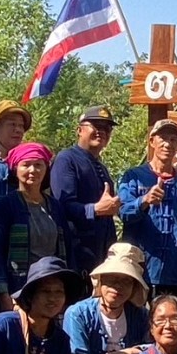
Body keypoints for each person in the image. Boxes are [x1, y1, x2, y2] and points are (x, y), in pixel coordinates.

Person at [118, 119, 177, 295]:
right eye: (163, 138)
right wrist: (144, 201)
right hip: (141, 269)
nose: (167, 144)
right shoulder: (134, 176)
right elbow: (123, 213)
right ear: (152, 142)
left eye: (173, 140)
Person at [0, 142, 68, 312]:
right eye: (26, 165)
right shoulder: (6, 205)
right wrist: (3, 294)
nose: (33, 170)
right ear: (15, 169)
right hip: (18, 288)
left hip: (48, 287)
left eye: (38, 165)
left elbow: (66, 249)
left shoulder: (55, 207)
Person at [50, 105, 121, 275]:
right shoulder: (67, 159)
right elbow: (62, 205)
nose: (102, 131)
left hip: (100, 255)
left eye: (107, 128)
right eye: (96, 126)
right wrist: (95, 209)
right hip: (76, 254)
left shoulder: (101, 167)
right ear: (79, 130)